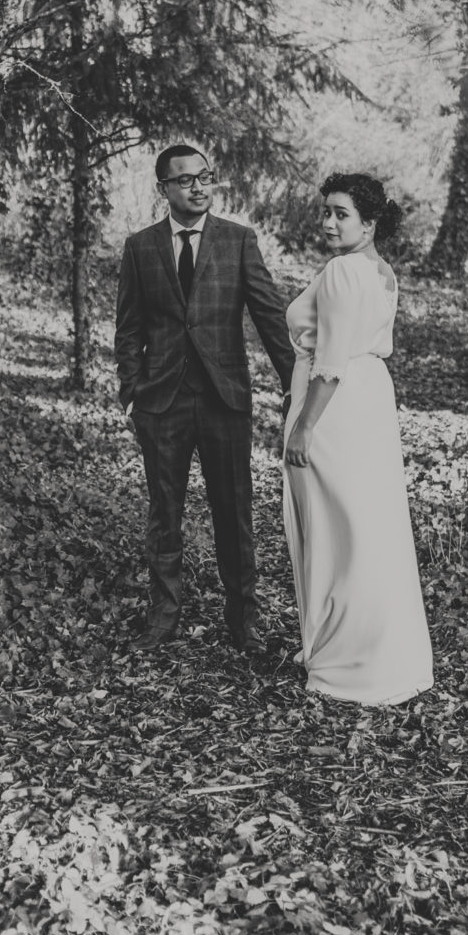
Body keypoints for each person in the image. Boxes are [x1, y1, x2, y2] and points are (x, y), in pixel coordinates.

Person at [116, 143, 295, 653]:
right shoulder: (141, 247)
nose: (198, 186)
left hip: (225, 399)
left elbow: (269, 317)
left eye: (205, 177)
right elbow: (128, 328)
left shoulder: (239, 241)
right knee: (164, 513)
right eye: (186, 180)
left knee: (233, 511)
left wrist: (292, 384)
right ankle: (163, 617)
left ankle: (244, 621)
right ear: (164, 189)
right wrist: (131, 394)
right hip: (161, 402)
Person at [282, 172, 433, 704]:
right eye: (326, 211)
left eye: (341, 213)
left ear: (369, 224)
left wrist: (303, 427)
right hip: (368, 398)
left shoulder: (345, 271)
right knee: (368, 527)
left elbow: (330, 363)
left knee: (335, 530)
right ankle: (371, 648)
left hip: (336, 409)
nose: (328, 222)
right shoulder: (381, 271)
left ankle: (347, 656)